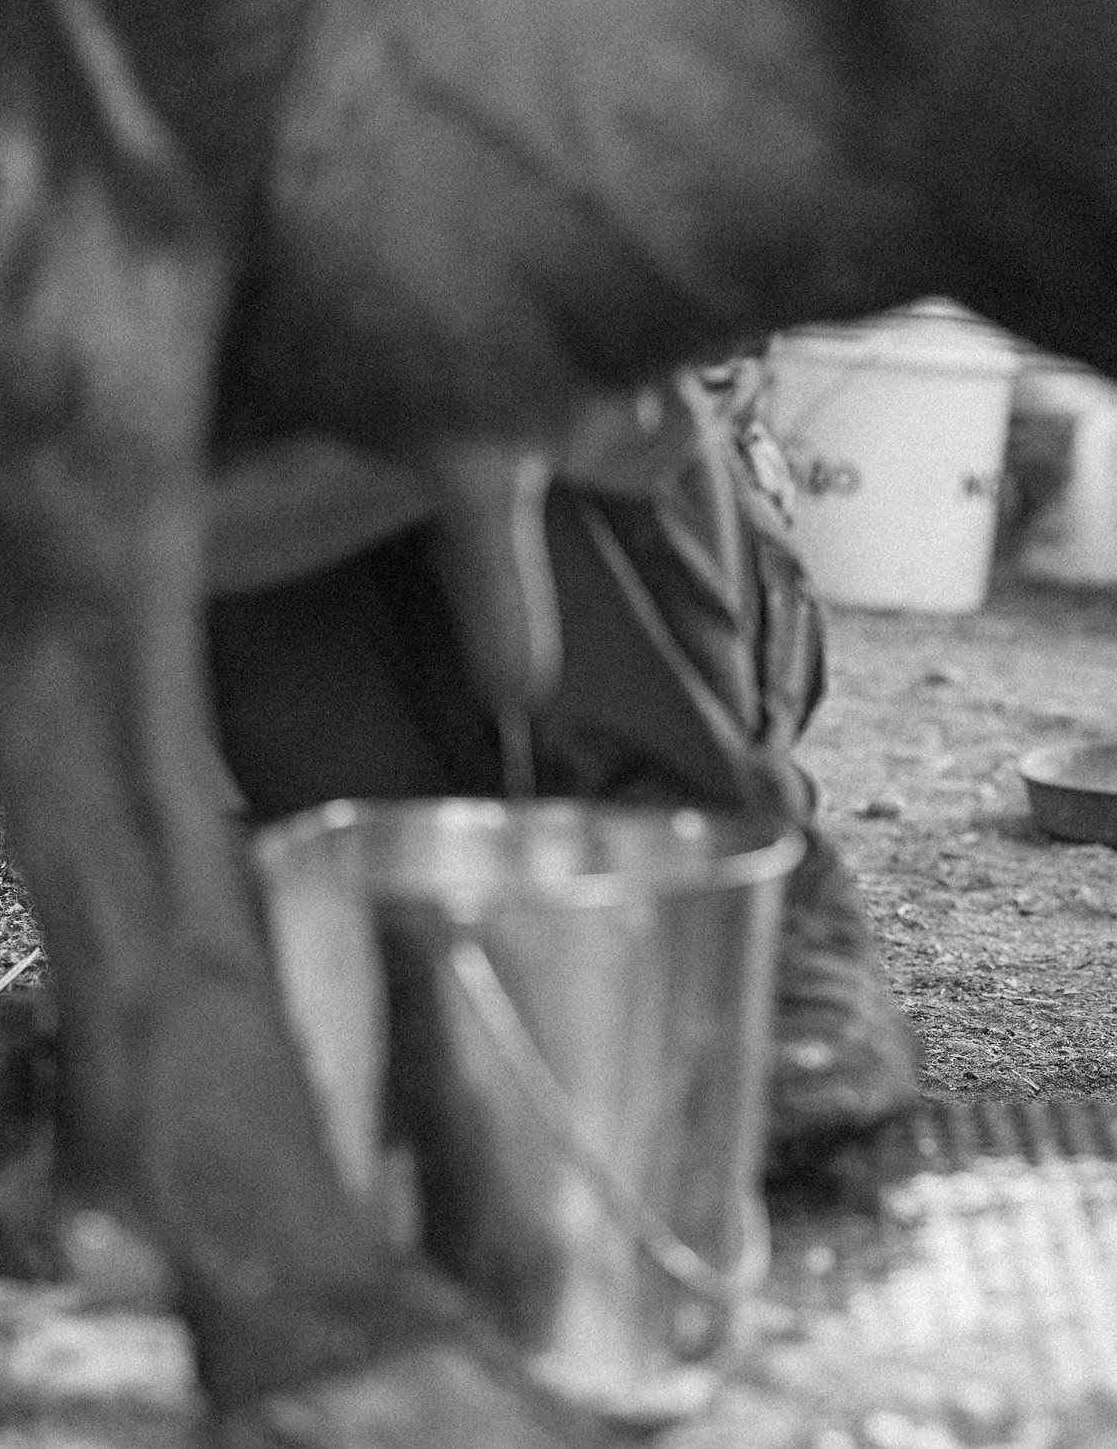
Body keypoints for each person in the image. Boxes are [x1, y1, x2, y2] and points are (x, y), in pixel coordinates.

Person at [204, 364, 921, 1168]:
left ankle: (754, 938)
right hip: (286, 621)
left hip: (635, 555)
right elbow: (70, 533)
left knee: (570, 356)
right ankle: (367, 968)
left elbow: (681, 394)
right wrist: (460, 455)